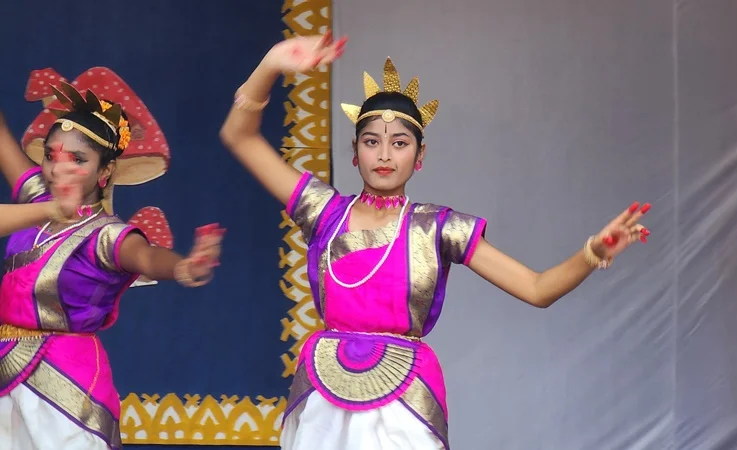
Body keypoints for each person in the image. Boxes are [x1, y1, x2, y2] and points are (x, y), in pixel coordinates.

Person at [220, 33, 651, 450]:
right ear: (355, 152)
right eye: (371, 142)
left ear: (420, 155)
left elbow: (537, 289)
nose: (384, 155)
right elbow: (239, 136)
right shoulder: (323, 212)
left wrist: (593, 252)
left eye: (399, 143)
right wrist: (271, 63)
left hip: (405, 401)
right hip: (324, 400)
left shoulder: (438, 228)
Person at [0, 82, 224, 450]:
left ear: (105, 171)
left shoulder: (107, 235)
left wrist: (184, 266)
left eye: (78, 159)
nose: (58, 168)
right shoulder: (35, 200)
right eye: (51, 155)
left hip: (65, 381)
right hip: (7, 368)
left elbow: (148, 258)